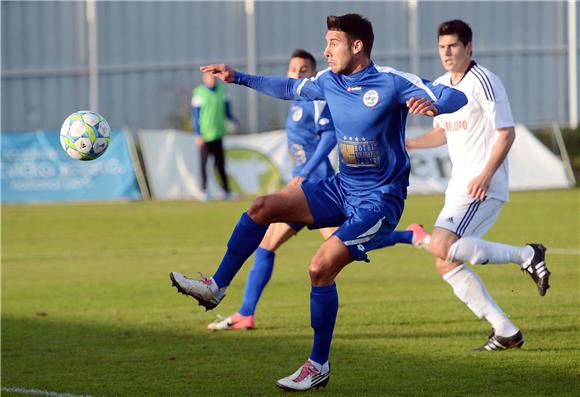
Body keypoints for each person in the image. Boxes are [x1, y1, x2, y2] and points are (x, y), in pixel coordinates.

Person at [170, 13, 467, 392]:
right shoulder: (329, 81)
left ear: (357, 46)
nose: (326, 51)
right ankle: (217, 287)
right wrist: (239, 77)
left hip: (380, 200)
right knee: (263, 206)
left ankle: (318, 364)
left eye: (333, 43)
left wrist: (435, 106)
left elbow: (456, 95)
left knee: (319, 267)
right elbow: (288, 87)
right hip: (342, 186)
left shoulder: (392, 82)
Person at [404, 20, 550, 352]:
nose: (447, 52)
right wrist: (412, 144)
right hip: (459, 185)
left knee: (440, 247)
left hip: (482, 183)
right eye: (442, 46)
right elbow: (443, 132)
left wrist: (485, 175)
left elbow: (506, 132)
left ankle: (527, 254)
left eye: (453, 46)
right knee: (446, 261)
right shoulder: (442, 86)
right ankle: (506, 331)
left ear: (469, 47)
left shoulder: (485, 82)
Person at [207, 49, 338, 331]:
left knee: (351, 242)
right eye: (293, 69)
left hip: (318, 187)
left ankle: (409, 235)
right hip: (302, 186)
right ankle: (246, 313)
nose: (297, 74)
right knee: (266, 245)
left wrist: (304, 172)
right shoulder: (296, 102)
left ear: (312, 74)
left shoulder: (315, 101)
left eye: (303, 69)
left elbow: (329, 138)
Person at [191, 71, 239, 201]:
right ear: (204, 78)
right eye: (208, 77)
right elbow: (195, 116)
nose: (211, 80)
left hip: (218, 134)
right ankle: (204, 191)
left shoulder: (223, 91)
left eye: (213, 77)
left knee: (221, 165)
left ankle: (227, 191)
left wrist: (234, 122)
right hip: (205, 136)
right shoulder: (199, 93)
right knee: (204, 164)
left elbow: (228, 112)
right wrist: (197, 134)